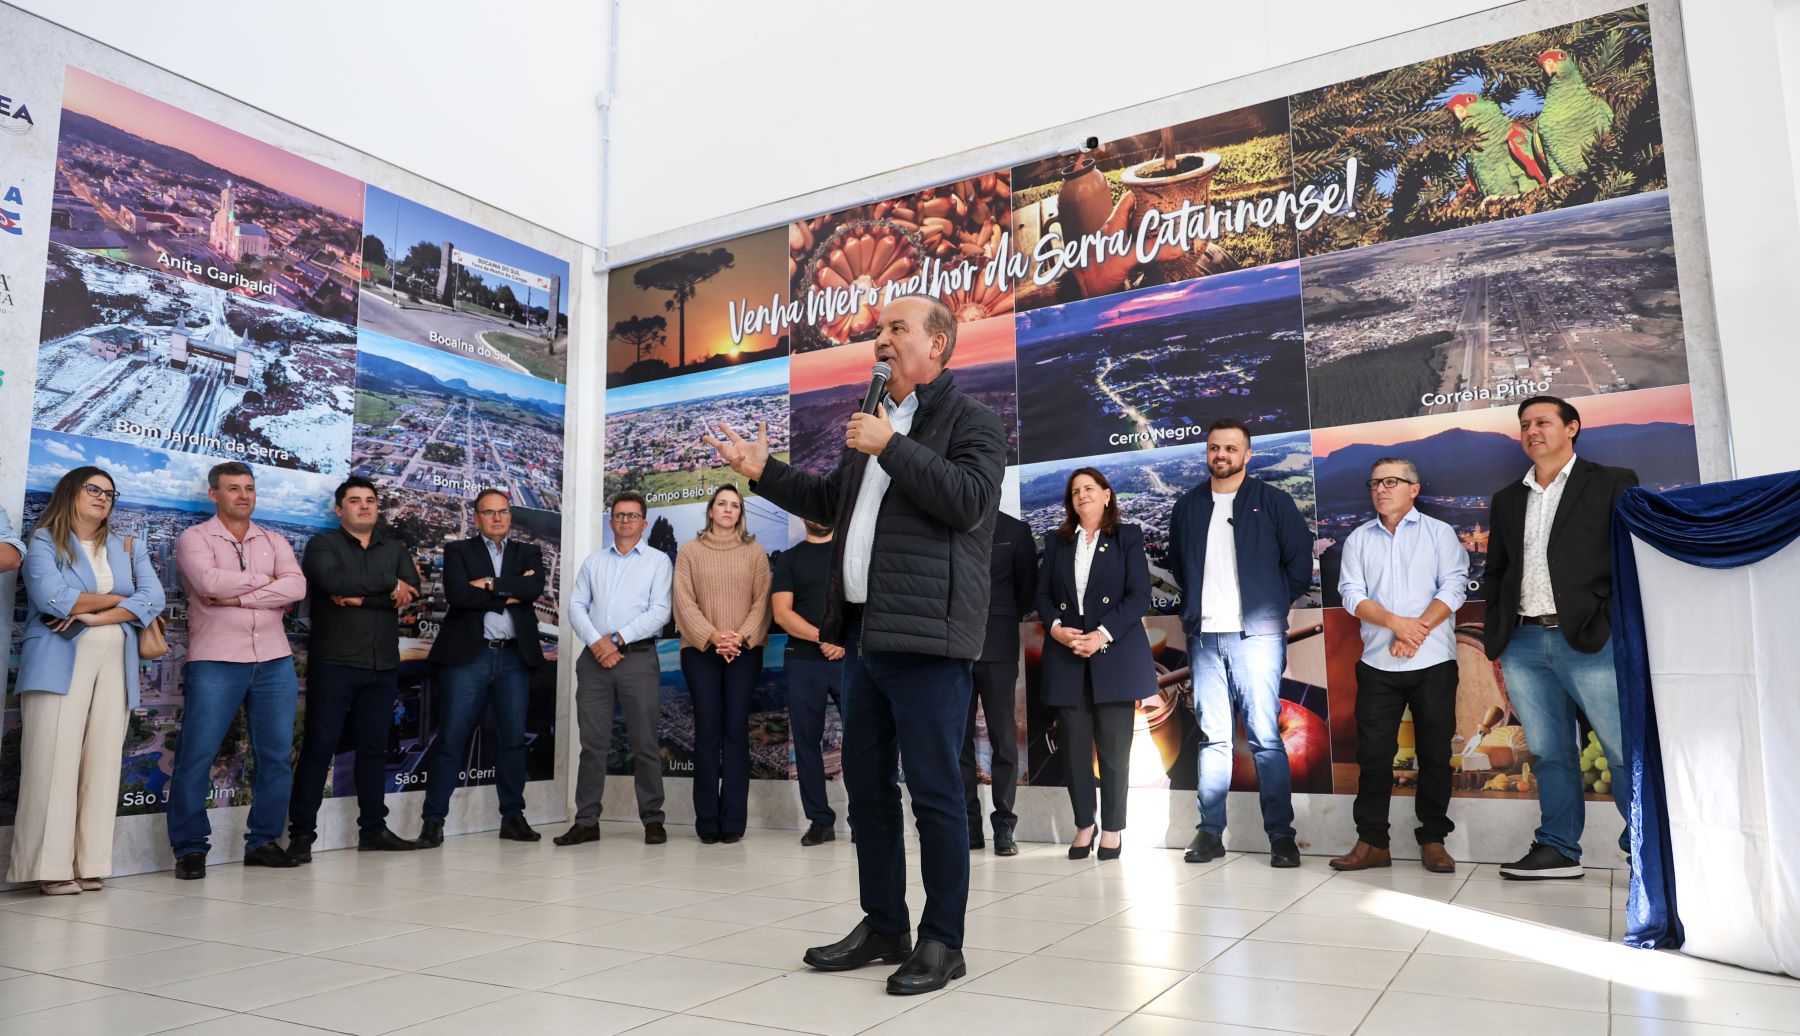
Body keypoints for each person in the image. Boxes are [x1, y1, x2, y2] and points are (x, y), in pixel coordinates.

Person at [704, 293, 1006, 996]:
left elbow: (967, 502)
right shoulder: (872, 425)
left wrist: (892, 446)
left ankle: (942, 941)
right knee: (867, 790)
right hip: (866, 635)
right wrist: (761, 469)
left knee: (936, 793)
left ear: (939, 344)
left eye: (897, 328)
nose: (881, 339)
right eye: (879, 330)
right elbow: (829, 502)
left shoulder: (973, 422)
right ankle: (883, 924)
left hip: (929, 639)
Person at [1484, 395, 1639, 880]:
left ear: (1571, 428)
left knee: (1619, 748)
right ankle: (1558, 849)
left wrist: (1609, 617)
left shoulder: (1612, 482)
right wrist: (1501, 631)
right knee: (1550, 752)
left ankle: (1645, 845)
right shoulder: (1508, 498)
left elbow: (1631, 559)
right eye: (1525, 424)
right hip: (1524, 642)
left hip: (1591, 638)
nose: (1533, 430)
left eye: (1543, 422)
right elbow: (1498, 571)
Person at [1168, 418, 1312, 868]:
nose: (1221, 455)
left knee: (1266, 738)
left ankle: (1281, 837)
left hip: (1257, 638)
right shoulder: (1188, 506)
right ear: (1206, 453)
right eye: (1214, 448)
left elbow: (1298, 566)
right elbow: (1177, 562)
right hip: (1205, 637)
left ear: (1247, 455)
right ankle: (1210, 834)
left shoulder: (1273, 502)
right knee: (1213, 739)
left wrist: (1270, 608)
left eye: (1230, 448)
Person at [9, 473, 161, 894]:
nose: (103, 498)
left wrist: (94, 614)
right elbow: (53, 599)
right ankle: (49, 867)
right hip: (58, 659)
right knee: (52, 761)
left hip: (117, 658)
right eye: (93, 489)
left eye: (109, 493)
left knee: (103, 760)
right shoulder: (43, 540)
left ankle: (90, 863)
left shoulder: (128, 545)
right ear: (70, 493)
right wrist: (121, 600)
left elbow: (155, 598)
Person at [169, 462, 308, 879]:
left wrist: (239, 597)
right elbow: (209, 583)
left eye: (249, 488)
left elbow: (297, 587)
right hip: (216, 659)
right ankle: (190, 849)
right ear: (214, 494)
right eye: (233, 489)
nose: (243, 495)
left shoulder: (275, 538)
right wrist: (266, 584)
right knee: (196, 755)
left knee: (276, 757)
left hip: (274, 659)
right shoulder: (193, 538)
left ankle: (263, 841)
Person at [1332, 458, 1468, 874]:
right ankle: (1372, 842)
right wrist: (1396, 625)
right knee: (1374, 758)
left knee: (1433, 755)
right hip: (1377, 663)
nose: (1381, 489)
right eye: (1375, 482)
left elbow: (1455, 585)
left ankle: (1433, 840)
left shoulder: (1439, 533)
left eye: (1392, 481)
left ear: (1414, 488)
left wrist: (1418, 631)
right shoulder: (1358, 539)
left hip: (1432, 662)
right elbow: (1351, 595)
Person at [286, 477, 423, 861]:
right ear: (339, 509)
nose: (364, 506)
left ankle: (374, 831)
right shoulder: (321, 545)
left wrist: (361, 597)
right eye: (355, 500)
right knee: (318, 748)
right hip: (335, 662)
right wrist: (385, 584)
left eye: (370, 500)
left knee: (374, 751)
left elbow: (411, 594)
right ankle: (301, 836)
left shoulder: (394, 547)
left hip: (382, 665)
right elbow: (330, 580)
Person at [415, 488, 548, 847]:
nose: (497, 518)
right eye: (489, 513)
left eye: (503, 512)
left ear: (510, 516)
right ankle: (433, 821)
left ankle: (513, 818)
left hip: (513, 658)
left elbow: (533, 588)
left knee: (512, 741)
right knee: (450, 740)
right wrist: (509, 590)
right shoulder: (458, 550)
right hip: (468, 658)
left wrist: (488, 585)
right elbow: (459, 595)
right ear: (476, 518)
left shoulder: (528, 551)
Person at [1036, 468, 1156, 862]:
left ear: (1107, 495)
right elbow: (1043, 595)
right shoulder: (1057, 542)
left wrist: (1101, 634)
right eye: (1075, 492)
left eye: (1089, 489)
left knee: (1115, 750)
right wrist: (1056, 629)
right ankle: (1084, 824)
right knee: (1072, 748)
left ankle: (1114, 828)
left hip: (1114, 654)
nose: (1081, 496)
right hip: (1067, 655)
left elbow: (1139, 596)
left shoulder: (1128, 536)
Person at [559, 490, 673, 848]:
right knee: (592, 745)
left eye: (631, 515)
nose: (624, 521)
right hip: (594, 661)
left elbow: (660, 612)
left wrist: (617, 640)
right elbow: (576, 605)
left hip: (637, 658)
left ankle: (653, 819)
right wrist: (597, 643)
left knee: (645, 744)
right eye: (619, 515)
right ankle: (586, 820)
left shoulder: (657, 562)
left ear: (644, 522)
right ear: (611, 522)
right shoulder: (594, 562)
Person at [673, 484, 772, 845]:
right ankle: (707, 820)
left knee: (734, 733)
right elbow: (683, 603)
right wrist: (715, 637)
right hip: (700, 651)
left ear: (740, 513)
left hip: (744, 651)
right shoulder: (690, 552)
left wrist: (739, 638)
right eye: (722, 504)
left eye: (735, 505)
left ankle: (733, 820)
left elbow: (762, 603)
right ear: (711, 511)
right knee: (706, 733)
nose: (728, 510)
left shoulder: (755, 552)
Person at [963, 509, 1034, 856]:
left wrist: (1000, 619)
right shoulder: (950, 520)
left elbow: (1026, 592)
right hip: (954, 648)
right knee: (957, 742)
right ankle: (968, 827)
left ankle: (1004, 826)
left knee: (1004, 740)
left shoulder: (1015, 530)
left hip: (999, 646)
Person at [772, 518, 844, 846]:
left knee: (865, 742)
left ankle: (865, 818)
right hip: (803, 661)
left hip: (849, 658)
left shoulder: (848, 552)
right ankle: (819, 821)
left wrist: (841, 640)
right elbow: (782, 614)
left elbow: (865, 603)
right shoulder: (789, 559)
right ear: (803, 516)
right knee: (806, 743)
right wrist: (825, 637)